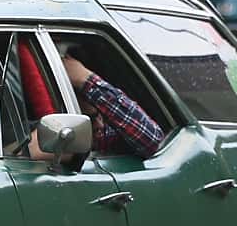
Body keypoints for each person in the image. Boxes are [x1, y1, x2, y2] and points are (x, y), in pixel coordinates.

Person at [17, 52, 164, 160]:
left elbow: (151, 140)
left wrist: (86, 80)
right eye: (92, 118)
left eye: (101, 115)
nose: (100, 125)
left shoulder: (98, 134)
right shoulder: (24, 131)